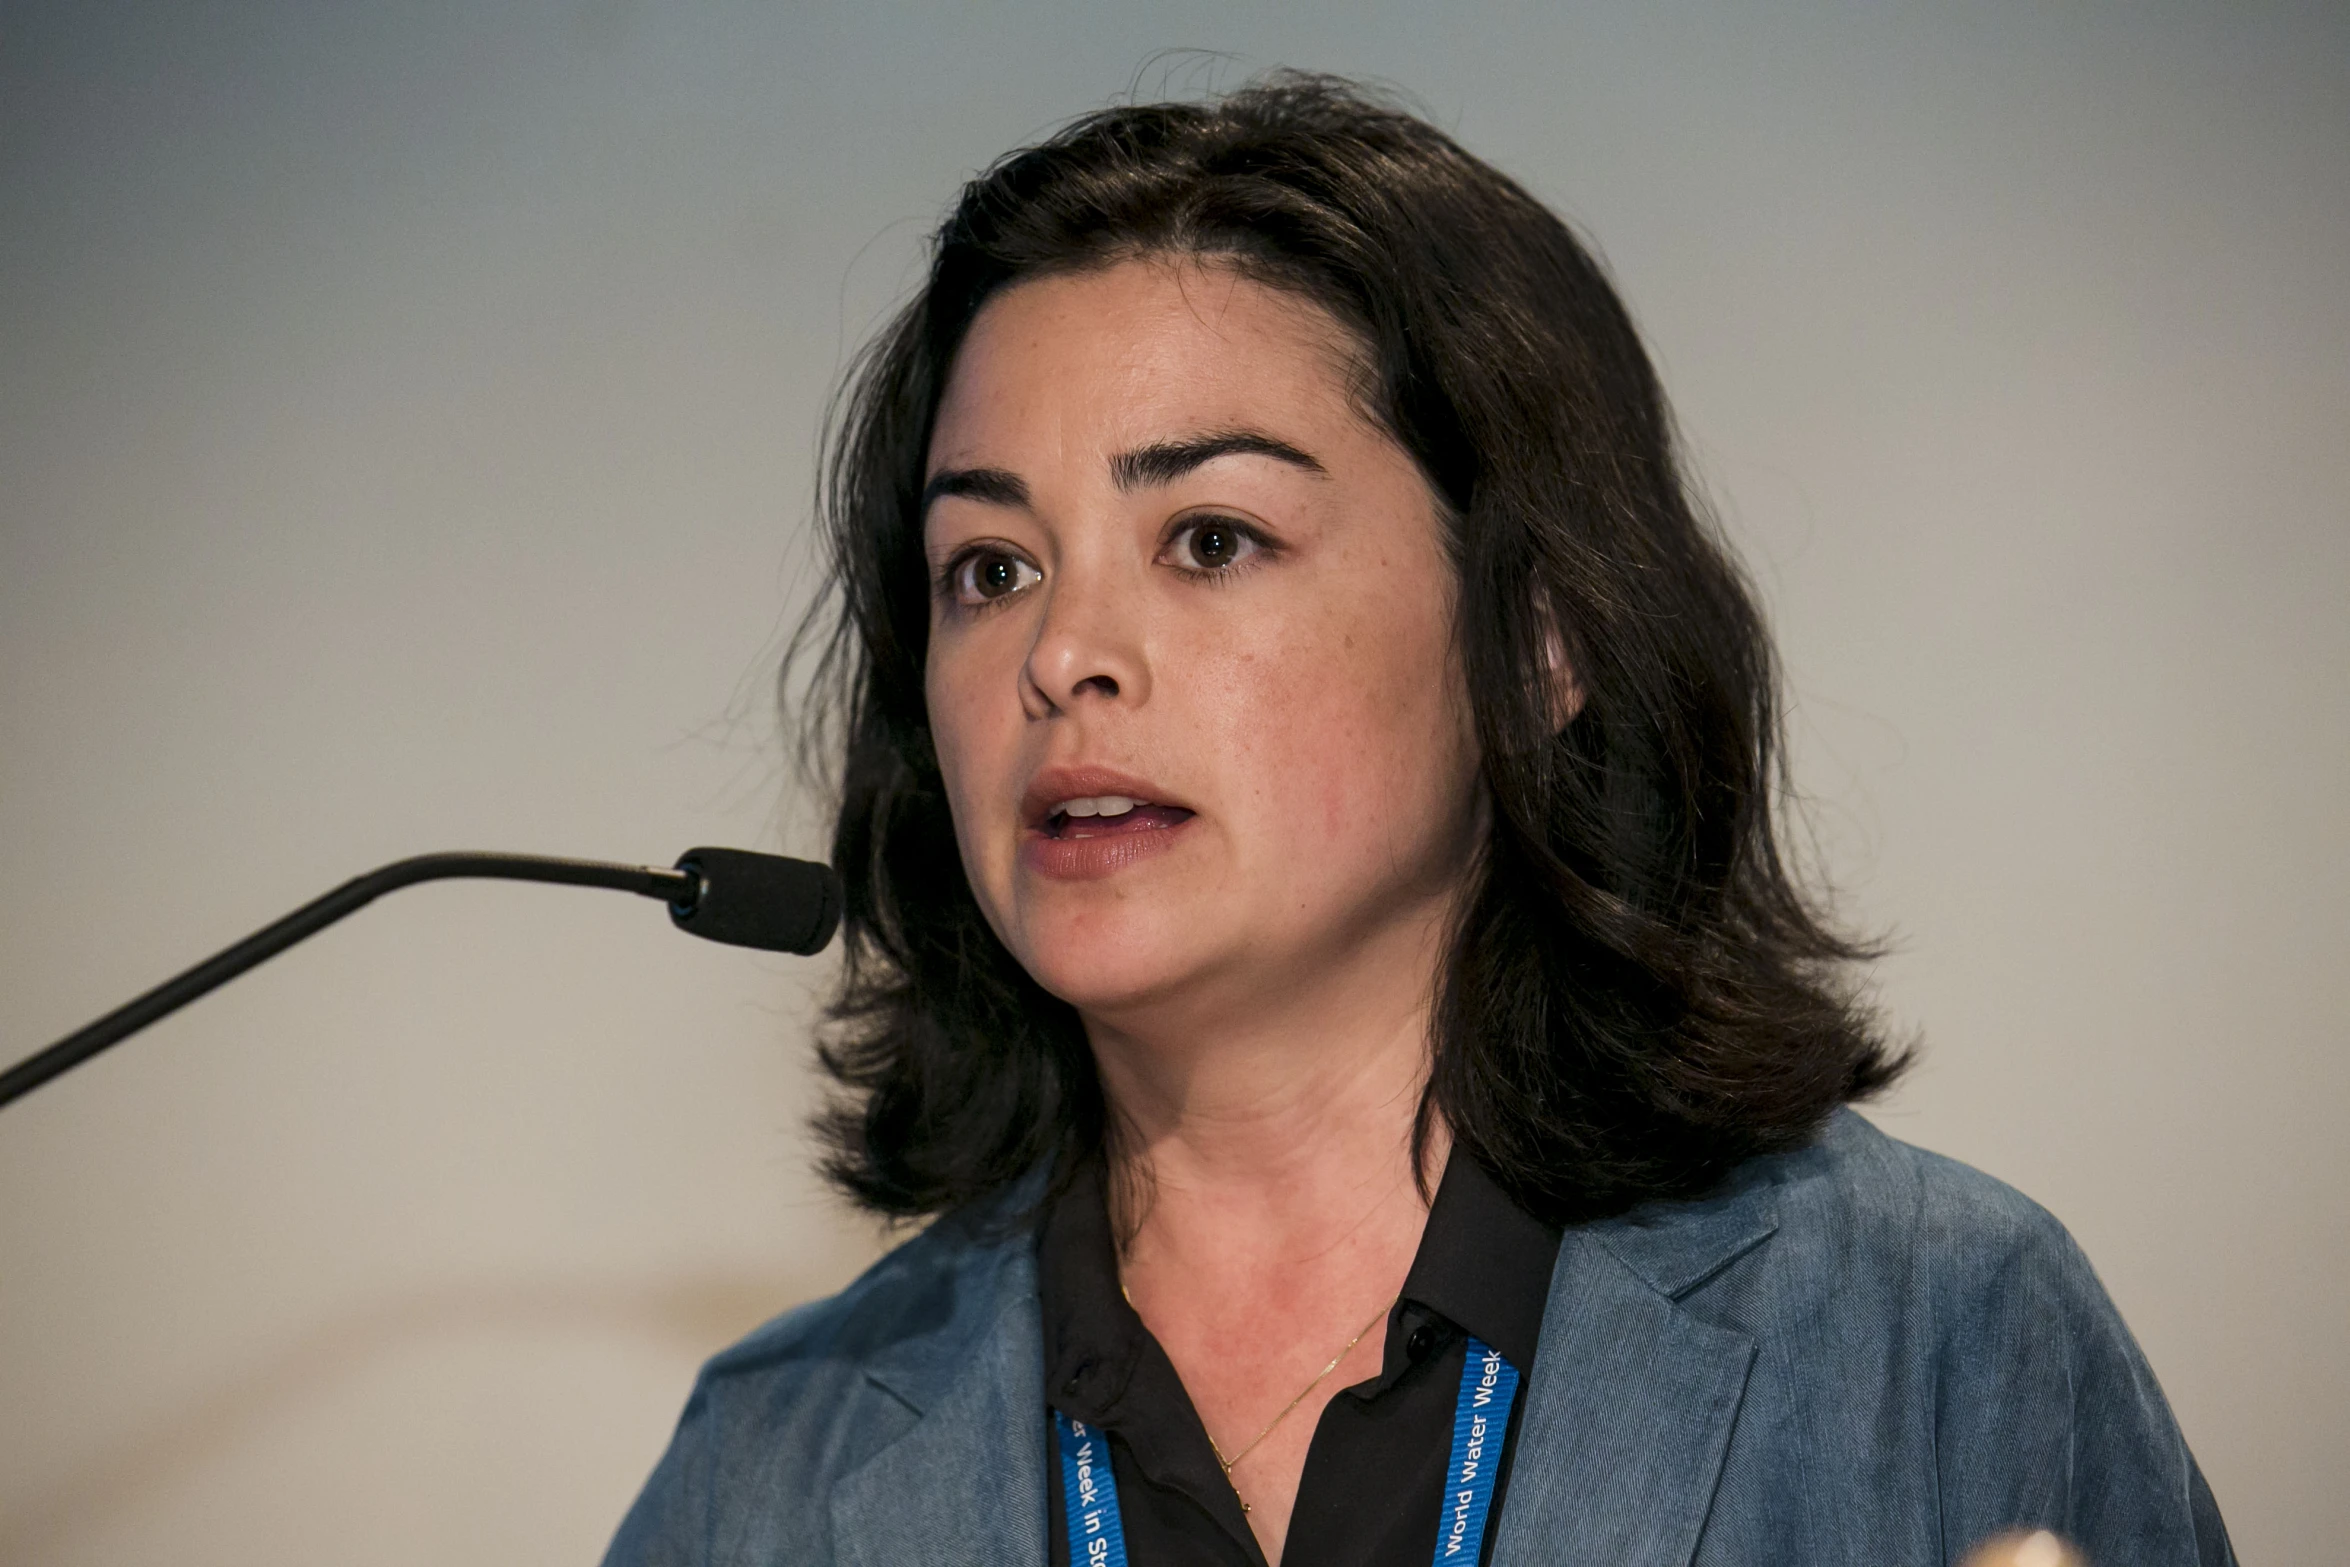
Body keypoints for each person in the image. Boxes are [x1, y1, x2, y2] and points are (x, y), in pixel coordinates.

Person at [604, 75, 2233, 1567]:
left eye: (1212, 537)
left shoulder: (1931, 1327)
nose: (1059, 655)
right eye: (990, 567)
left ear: (1539, 645)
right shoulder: (769, 1463)